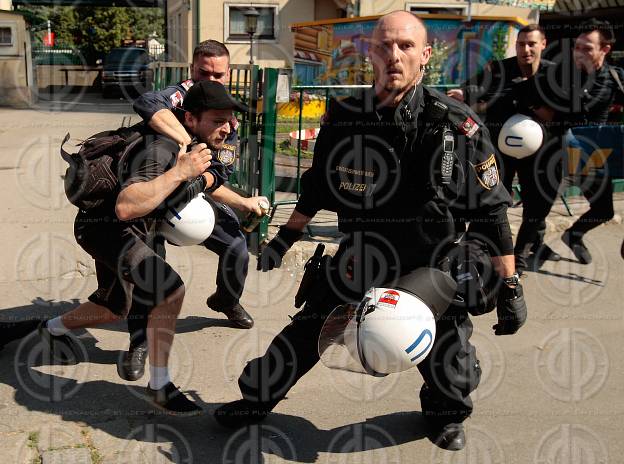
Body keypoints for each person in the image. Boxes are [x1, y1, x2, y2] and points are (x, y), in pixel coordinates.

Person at [214, 11, 527, 451]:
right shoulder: (345, 117)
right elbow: (319, 183)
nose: (394, 55)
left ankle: (444, 413)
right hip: (363, 254)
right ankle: (255, 402)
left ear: (425, 56)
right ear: (370, 54)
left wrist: (510, 286)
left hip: (430, 266)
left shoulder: (456, 127)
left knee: (450, 366)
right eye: (384, 46)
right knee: (307, 333)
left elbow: (492, 213)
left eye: (405, 46)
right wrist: (287, 237)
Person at [35, 81, 243, 415]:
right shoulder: (161, 148)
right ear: (190, 120)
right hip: (107, 229)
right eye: (218, 119)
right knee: (169, 289)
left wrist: (240, 200)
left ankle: (51, 329)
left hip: (115, 229)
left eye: (230, 120)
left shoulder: (194, 148)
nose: (228, 127)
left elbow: (208, 184)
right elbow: (126, 207)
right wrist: (180, 173)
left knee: (115, 306)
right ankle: (160, 385)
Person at [120, 40, 267, 381]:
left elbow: (221, 173)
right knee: (151, 271)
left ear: (228, 73)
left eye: (219, 73)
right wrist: (182, 142)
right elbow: (146, 101)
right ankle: (138, 343)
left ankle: (226, 301)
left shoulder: (228, 113)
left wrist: (199, 180)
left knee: (236, 248)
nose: (211, 79)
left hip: (197, 193)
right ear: (192, 71)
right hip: (154, 195)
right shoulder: (177, 96)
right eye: (204, 72)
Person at [448, 24, 562, 274]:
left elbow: (563, 113)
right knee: (489, 200)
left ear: (543, 44)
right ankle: (474, 251)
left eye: (532, 43)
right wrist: (463, 93)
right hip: (500, 149)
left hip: (542, 152)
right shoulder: (500, 69)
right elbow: (476, 86)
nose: (526, 49)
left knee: (537, 206)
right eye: (521, 44)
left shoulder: (555, 74)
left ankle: (519, 258)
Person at [553, 20, 624, 263]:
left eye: (587, 49)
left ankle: (574, 235)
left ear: (605, 50)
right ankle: (524, 253)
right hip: (572, 149)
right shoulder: (560, 76)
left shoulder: (615, 76)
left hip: (605, 147)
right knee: (602, 208)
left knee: (604, 211)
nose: (579, 53)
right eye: (577, 47)